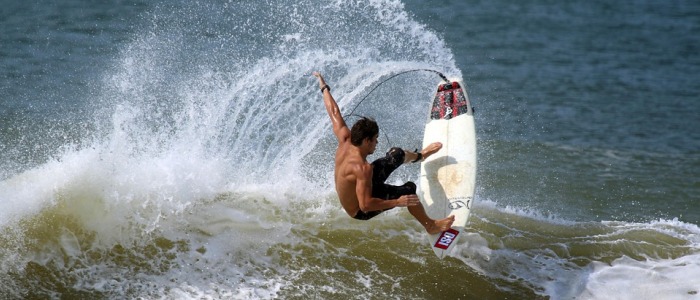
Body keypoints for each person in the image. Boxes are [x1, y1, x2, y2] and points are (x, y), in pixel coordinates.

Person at [313, 71, 454, 234]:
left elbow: (334, 112)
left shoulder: (345, 138)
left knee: (397, 153)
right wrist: (398, 202)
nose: (377, 143)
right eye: (375, 139)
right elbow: (366, 204)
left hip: (363, 187)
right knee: (409, 190)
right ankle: (431, 226)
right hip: (360, 209)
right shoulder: (362, 168)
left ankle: (421, 156)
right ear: (366, 141)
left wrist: (324, 87)